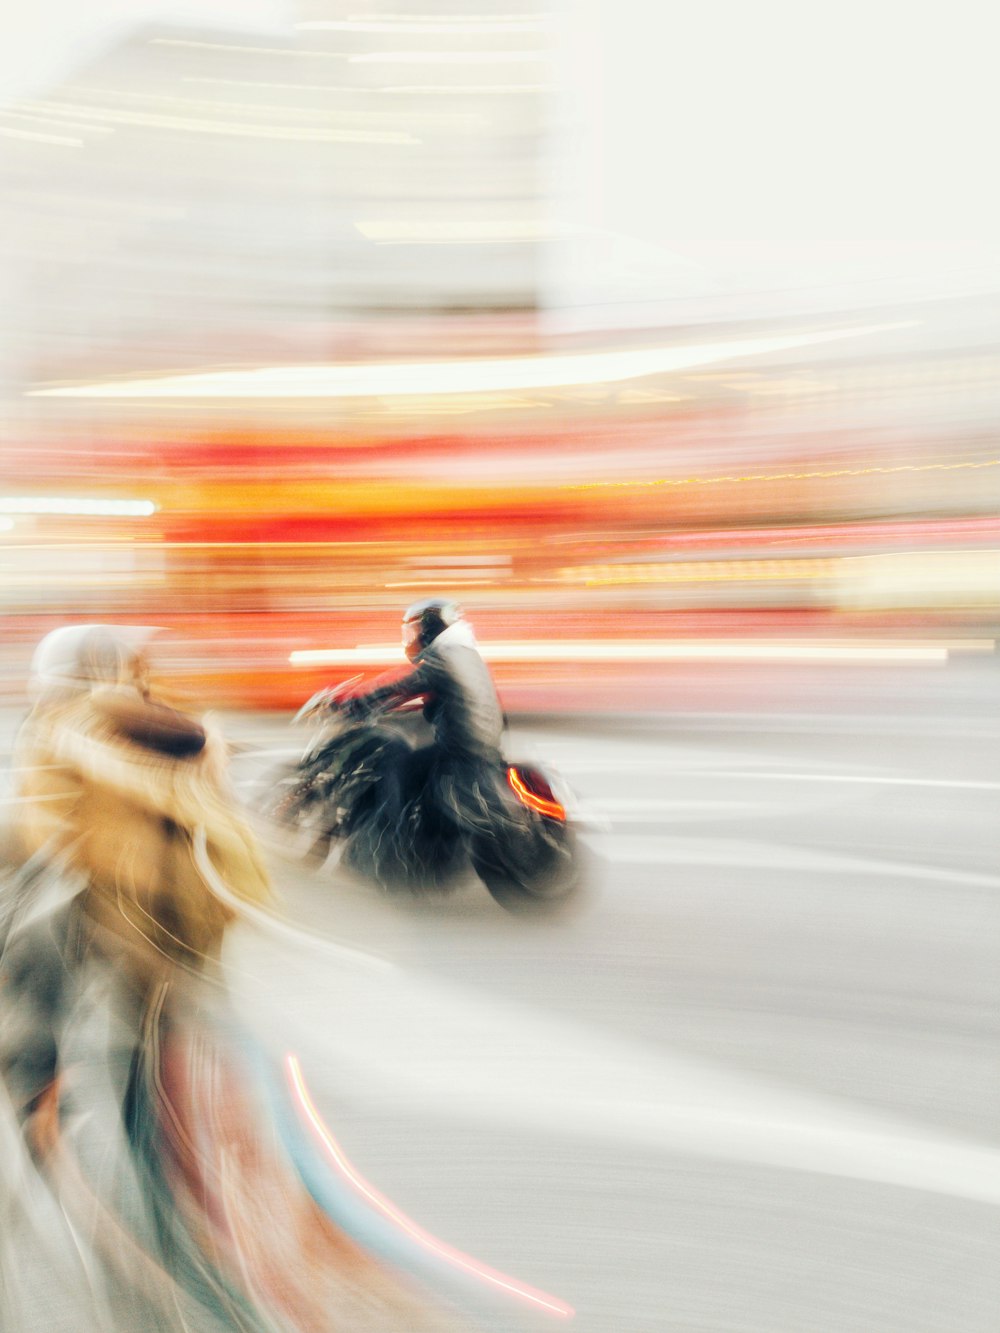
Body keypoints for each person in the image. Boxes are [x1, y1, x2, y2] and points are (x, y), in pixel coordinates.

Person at [340, 599, 508, 847]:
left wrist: (356, 702)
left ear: (430, 629)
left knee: (394, 765)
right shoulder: (467, 655)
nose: (413, 637)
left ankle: (393, 839)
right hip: (486, 748)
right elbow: (454, 698)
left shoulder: (444, 656)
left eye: (416, 629)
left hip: (460, 751)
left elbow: (402, 684)